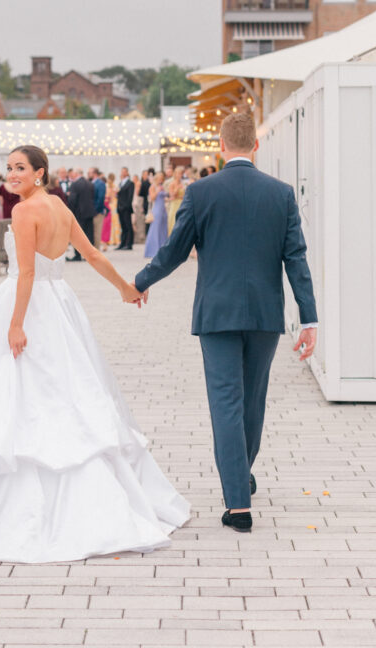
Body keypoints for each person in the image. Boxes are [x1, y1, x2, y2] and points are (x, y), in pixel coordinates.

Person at [0, 144, 189, 561]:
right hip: (61, 307)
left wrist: (16, 323)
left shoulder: (24, 211)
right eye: (9, 168)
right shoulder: (60, 210)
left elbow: (27, 272)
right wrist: (125, 287)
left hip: (28, 304)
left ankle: (7, 504)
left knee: (15, 397)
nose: (12, 174)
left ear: (39, 173)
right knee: (69, 391)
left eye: (20, 168)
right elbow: (94, 254)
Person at [127, 112, 317, 533]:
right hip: (266, 314)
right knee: (252, 401)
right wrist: (310, 318)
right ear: (256, 145)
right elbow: (296, 259)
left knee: (226, 403)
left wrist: (140, 282)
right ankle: (240, 476)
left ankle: (238, 502)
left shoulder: (201, 191)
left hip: (216, 313)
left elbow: (175, 251)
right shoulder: (281, 194)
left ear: (220, 144)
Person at [67, 168, 95, 261]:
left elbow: (72, 200)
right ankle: (90, 255)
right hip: (89, 212)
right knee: (89, 234)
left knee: (77, 235)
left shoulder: (75, 184)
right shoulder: (90, 183)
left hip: (79, 213)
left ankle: (78, 255)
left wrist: (70, 211)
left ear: (76, 174)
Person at [144, 171, 168, 258]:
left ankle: (162, 249)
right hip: (157, 209)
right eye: (160, 178)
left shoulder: (162, 186)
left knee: (163, 229)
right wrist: (158, 191)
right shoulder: (152, 187)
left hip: (163, 210)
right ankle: (153, 250)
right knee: (155, 229)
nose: (161, 180)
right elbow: (152, 198)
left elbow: (165, 197)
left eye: (162, 178)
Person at [116, 167, 135, 250]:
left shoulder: (130, 183)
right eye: (121, 171)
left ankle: (129, 244)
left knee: (128, 226)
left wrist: (125, 206)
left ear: (127, 172)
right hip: (120, 207)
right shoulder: (120, 183)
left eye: (124, 172)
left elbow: (129, 197)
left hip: (126, 208)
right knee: (123, 226)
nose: (122, 173)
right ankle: (122, 243)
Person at [88, 167, 106, 247]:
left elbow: (100, 198)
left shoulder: (100, 183)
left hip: (97, 212)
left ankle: (97, 251)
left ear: (94, 173)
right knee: (93, 233)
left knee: (97, 233)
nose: (88, 174)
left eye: (89, 173)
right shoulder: (91, 182)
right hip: (92, 212)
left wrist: (95, 211)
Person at [165, 166, 185, 235]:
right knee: (173, 222)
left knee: (182, 222)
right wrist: (177, 188)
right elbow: (172, 195)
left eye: (181, 174)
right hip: (174, 205)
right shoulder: (172, 184)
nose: (180, 175)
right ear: (175, 174)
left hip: (182, 204)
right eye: (179, 174)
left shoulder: (183, 183)